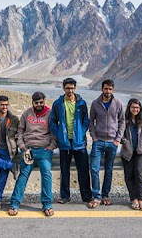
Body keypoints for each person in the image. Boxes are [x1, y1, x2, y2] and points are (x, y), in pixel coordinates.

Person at [8, 92, 58, 217]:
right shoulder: (27, 113)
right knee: (23, 174)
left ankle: (47, 205)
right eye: (36, 103)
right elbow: (20, 130)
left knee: (46, 174)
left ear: (44, 101)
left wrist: (51, 146)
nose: (39, 105)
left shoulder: (50, 114)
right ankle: (14, 203)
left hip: (43, 150)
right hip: (28, 150)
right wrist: (22, 146)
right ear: (32, 102)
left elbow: (54, 131)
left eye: (41, 102)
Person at [50, 77, 93, 205]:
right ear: (63, 88)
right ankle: (64, 196)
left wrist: (81, 132)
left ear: (75, 88)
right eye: (68, 88)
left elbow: (86, 121)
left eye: (72, 88)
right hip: (64, 143)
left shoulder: (81, 103)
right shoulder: (58, 104)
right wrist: (58, 134)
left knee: (83, 170)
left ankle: (86, 196)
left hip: (79, 143)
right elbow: (53, 121)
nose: (70, 90)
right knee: (64, 170)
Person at [88, 79, 125, 208]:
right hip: (98, 142)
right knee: (94, 169)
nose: (108, 91)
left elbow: (122, 122)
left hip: (112, 142)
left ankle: (105, 196)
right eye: (106, 89)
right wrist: (94, 137)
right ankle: (96, 196)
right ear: (102, 89)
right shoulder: (95, 103)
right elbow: (90, 121)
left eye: (110, 89)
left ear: (113, 90)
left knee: (108, 170)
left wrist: (118, 139)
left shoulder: (118, 103)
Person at [120, 98, 142, 211]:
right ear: (129, 107)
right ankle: (134, 199)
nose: (135, 109)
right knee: (129, 175)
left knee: (138, 173)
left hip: (140, 152)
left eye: (137, 107)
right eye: (133, 107)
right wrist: (125, 142)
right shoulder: (124, 119)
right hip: (127, 151)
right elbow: (120, 133)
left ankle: (141, 199)